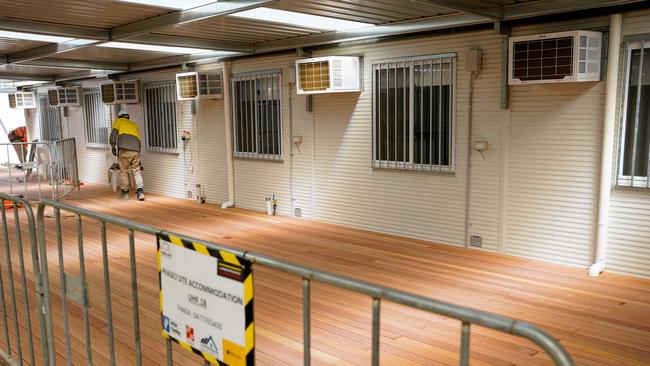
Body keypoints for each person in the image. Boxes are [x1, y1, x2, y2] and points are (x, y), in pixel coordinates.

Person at [109, 105, 145, 201]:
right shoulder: (133, 124)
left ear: (120, 117)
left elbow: (113, 134)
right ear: (128, 117)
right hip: (136, 150)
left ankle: (125, 193)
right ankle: (140, 192)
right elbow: (138, 139)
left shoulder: (118, 121)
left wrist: (113, 145)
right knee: (136, 171)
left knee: (123, 171)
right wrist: (138, 153)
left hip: (124, 149)